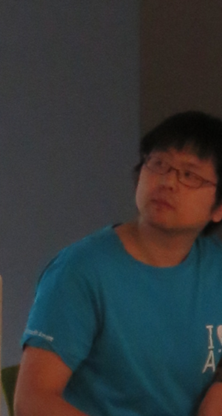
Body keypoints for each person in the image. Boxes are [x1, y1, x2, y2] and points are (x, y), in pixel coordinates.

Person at [15, 111, 222, 416]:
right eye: (158, 164)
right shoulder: (80, 270)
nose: (168, 182)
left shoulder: (215, 268)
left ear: (218, 208)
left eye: (190, 175)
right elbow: (33, 401)